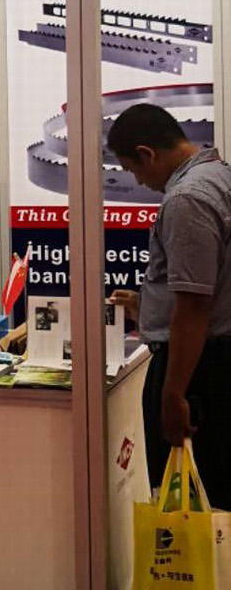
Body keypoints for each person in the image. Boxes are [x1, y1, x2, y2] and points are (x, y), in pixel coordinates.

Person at [107, 103, 231, 509]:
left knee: (193, 504)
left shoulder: (187, 199)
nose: (139, 181)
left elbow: (194, 307)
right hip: (213, 362)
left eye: (133, 169)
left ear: (148, 153)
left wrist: (173, 393)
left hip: (199, 373)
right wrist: (146, 306)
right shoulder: (220, 176)